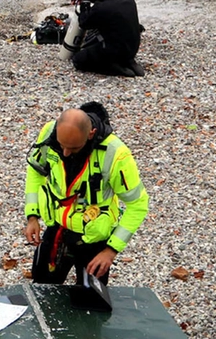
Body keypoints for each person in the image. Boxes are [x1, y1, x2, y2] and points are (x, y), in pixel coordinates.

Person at [23, 102, 149, 286]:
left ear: (91, 134)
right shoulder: (50, 132)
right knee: (42, 290)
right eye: (61, 145)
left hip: (93, 239)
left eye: (73, 148)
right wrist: (32, 216)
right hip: (57, 228)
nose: (65, 153)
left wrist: (110, 250)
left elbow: (138, 205)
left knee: (92, 302)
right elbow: (35, 171)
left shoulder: (116, 155)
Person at [71, 0, 143, 76]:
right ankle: (129, 62)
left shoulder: (102, 8)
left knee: (78, 59)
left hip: (115, 52)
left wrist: (84, 5)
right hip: (132, 48)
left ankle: (116, 68)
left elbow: (84, 23)